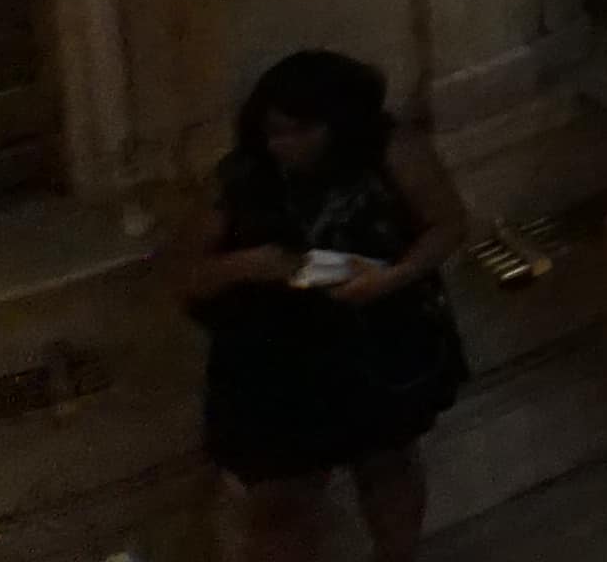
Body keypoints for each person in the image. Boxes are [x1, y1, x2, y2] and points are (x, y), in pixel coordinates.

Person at [176, 46, 468, 562]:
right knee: (280, 492)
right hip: (275, 352)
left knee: (388, 462)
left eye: (300, 131)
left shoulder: (390, 150)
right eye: (275, 132)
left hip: (375, 335)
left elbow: (447, 224)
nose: (284, 145)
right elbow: (187, 274)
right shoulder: (242, 177)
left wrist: (393, 277)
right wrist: (248, 264)